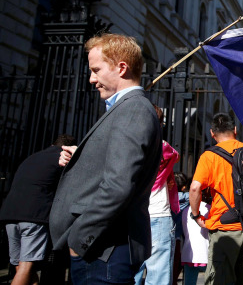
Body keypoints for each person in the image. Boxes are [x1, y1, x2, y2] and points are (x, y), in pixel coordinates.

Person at [49, 33, 162, 284]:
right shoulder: (127, 109)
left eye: (96, 70)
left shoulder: (133, 109)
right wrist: (83, 157)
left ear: (121, 68)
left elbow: (119, 185)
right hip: (102, 249)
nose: (92, 79)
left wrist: (80, 238)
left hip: (103, 249)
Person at [189, 113, 243, 284]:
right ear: (235, 130)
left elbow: (194, 188)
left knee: (221, 278)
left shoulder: (209, 157)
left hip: (224, 226)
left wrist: (196, 216)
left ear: (212, 133)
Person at [0, 134, 76, 285]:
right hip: (34, 216)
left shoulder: (33, 157)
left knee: (20, 265)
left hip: (10, 215)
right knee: (27, 266)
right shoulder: (62, 159)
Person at [134, 105, 179, 285]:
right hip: (158, 213)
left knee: (130, 272)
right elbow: (174, 154)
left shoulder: (126, 146)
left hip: (132, 213)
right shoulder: (163, 148)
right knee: (159, 275)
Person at [182, 185, 211, 285]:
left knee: (189, 282)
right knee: (210, 280)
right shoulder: (209, 209)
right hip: (206, 252)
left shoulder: (185, 211)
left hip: (189, 253)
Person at [172, 172, 189, 284]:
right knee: (176, 264)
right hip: (178, 236)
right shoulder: (186, 198)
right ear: (183, 186)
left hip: (163, 233)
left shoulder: (167, 196)